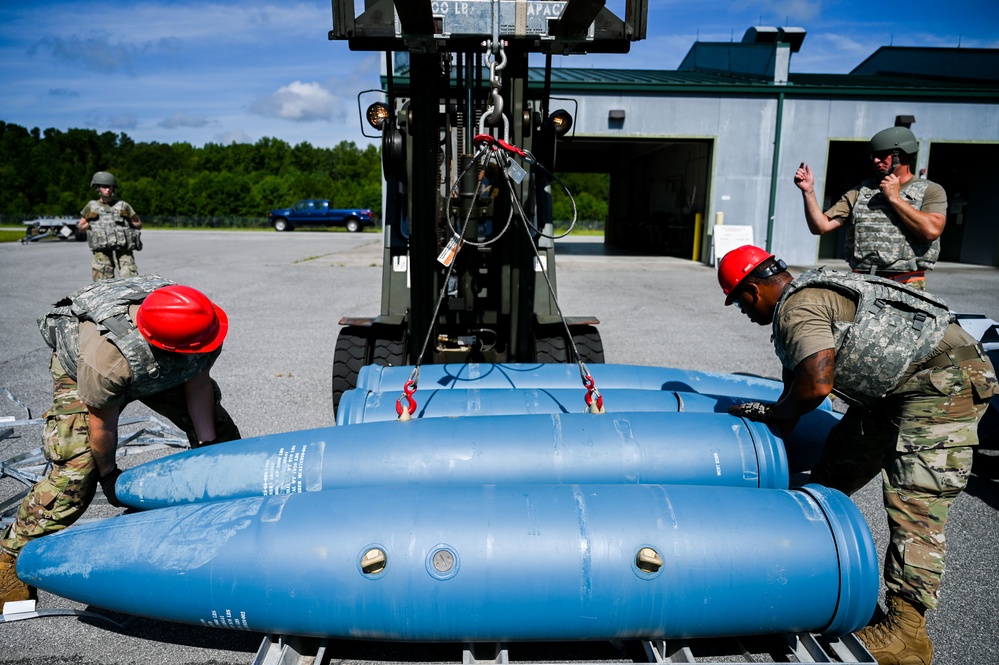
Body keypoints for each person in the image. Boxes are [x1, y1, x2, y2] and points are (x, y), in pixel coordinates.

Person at [717, 245, 996, 665]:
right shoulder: (806, 295)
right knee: (835, 468)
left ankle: (907, 636)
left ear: (753, 291)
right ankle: (808, 562)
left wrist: (776, 413)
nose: (744, 313)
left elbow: (815, 386)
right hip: (897, 387)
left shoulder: (798, 309)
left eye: (740, 304)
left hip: (943, 383)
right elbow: (793, 396)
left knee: (915, 502)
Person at [0, 276, 241, 610]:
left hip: (161, 354)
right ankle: (10, 557)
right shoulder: (106, 361)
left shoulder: (201, 327)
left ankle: (228, 520)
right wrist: (109, 475)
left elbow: (197, 383)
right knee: (76, 475)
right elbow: (103, 424)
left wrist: (207, 448)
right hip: (85, 368)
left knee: (222, 440)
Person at [793, 127, 947, 290]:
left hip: (906, 284)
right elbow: (821, 226)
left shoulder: (930, 191)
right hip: (863, 284)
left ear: (901, 154)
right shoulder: (860, 191)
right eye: (874, 156)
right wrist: (808, 191)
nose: (875, 161)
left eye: (882, 155)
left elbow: (931, 230)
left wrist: (894, 198)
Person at [78, 171, 144, 282]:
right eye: (104, 187)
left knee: (130, 279)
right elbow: (80, 227)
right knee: (102, 281)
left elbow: (139, 225)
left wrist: (128, 218)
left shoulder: (123, 205)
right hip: (102, 251)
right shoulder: (91, 206)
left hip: (123, 250)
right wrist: (89, 221)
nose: (108, 190)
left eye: (110, 187)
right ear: (98, 187)